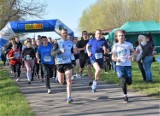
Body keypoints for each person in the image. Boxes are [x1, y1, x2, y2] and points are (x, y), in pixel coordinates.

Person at [51, 29, 76, 103]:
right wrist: (59, 51)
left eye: (66, 33)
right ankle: (59, 79)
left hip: (68, 63)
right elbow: (52, 53)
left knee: (68, 80)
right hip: (60, 63)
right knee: (61, 81)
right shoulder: (57, 42)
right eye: (63, 33)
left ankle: (69, 97)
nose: (65, 34)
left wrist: (73, 58)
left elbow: (71, 52)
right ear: (61, 34)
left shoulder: (70, 43)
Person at [112, 29, 136, 103]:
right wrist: (116, 59)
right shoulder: (115, 46)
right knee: (123, 80)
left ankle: (128, 82)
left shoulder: (128, 44)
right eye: (119, 36)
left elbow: (134, 52)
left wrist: (132, 56)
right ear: (117, 37)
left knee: (129, 82)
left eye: (122, 35)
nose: (121, 37)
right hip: (119, 65)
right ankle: (125, 96)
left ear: (124, 36)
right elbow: (113, 57)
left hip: (127, 65)